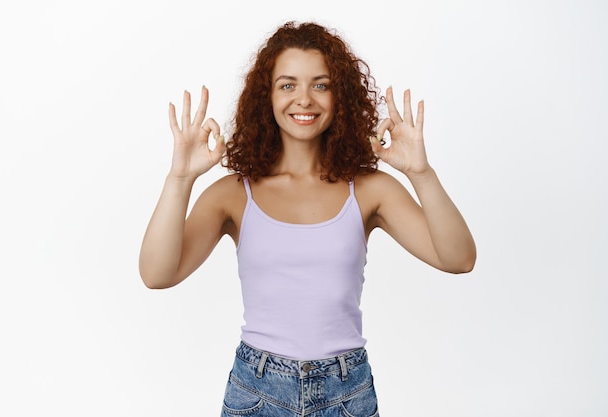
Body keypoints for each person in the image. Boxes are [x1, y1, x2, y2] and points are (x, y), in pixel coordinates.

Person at [139, 21, 476, 417]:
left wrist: (421, 174)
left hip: (346, 393)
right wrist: (180, 178)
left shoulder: (369, 189)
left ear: (340, 95)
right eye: (287, 85)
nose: (304, 99)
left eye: (321, 84)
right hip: (258, 391)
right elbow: (156, 274)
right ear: (266, 96)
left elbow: (458, 259)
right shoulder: (233, 194)